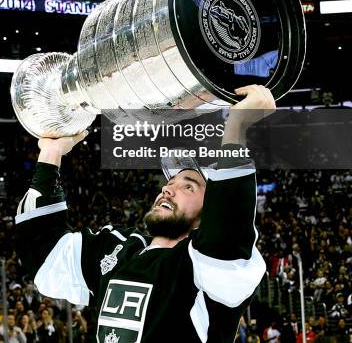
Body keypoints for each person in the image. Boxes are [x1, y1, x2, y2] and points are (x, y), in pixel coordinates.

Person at [16, 84, 274, 342]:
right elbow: (43, 252)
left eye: (188, 186)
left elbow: (226, 233)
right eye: (170, 183)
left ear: (211, 211)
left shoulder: (203, 269)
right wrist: (52, 152)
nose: (168, 189)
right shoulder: (118, 249)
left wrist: (236, 127)